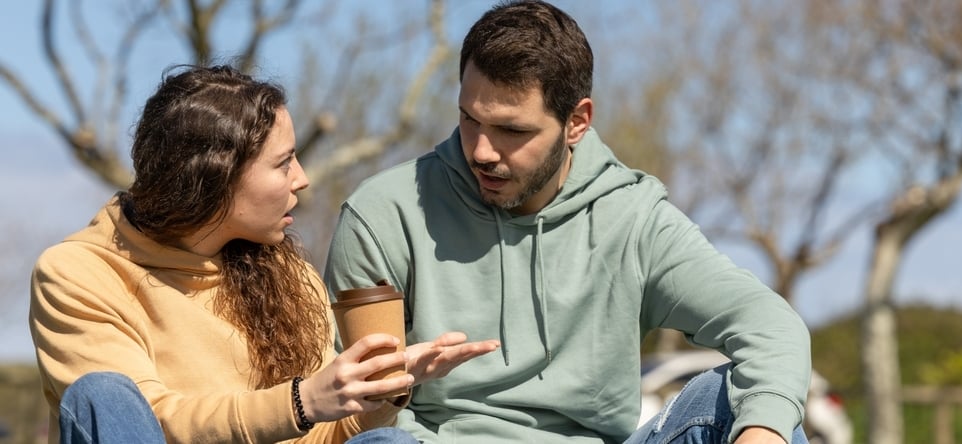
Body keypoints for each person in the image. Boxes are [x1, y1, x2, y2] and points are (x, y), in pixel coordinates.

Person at [325, 1, 812, 443]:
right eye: (469, 119)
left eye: (512, 130)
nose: (481, 151)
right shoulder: (382, 215)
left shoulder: (633, 219)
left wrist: (762, 432)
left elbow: (772, 327)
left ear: (577, 121)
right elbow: (348, 406)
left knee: (736, 398)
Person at [28, 64, 499, 444]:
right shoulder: (76, 274)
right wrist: (301, 401)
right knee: (102, 395)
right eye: (283, 162)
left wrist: (383, 388)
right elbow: (149, 423)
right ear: (215, 178)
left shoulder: (283, 268)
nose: (302, 178)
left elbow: (323, 434)